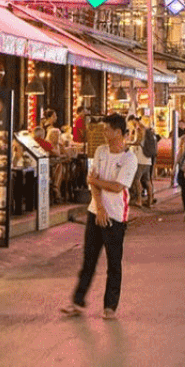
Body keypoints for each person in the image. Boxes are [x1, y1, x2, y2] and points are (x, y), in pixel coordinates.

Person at [61, 114, 137, 320]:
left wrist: (98, 182)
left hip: (116, 217)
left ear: (118, 133)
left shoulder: (129, 158)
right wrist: (100, 208)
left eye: (107, 129)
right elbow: (91, 181)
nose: (103, 133)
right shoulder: (101, 151)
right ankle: (77, 301)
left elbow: (117, 186)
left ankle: (110, 306)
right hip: (96, 212)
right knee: (89, 260)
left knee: (114, 262)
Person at [129, 121, 153, 208]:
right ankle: (149, 201)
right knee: (147, 180)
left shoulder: (140, 132)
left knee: (137, 180)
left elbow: (136, 143)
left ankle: (139, 200)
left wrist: (128, 142)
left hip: (140, 160)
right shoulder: (149, 133)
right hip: (148, 160)